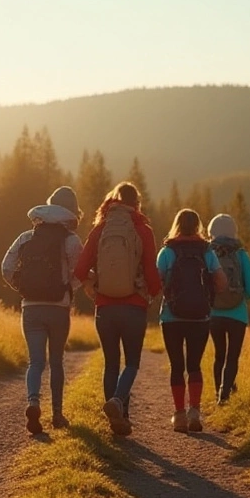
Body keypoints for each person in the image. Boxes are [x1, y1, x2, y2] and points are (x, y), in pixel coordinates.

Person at [73, 182, 162, 437]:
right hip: (134, 307)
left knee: (111, 364)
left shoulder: (100, 228)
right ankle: (118, 404)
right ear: (136, 203)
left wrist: (94, 283)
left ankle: (119, 420)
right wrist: (153, 293)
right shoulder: (142, 230)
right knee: (131, 363)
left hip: (105, 308)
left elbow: (79, 270)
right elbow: (151, 271)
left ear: (113, 201)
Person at [1, 186, 84, 435]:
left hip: (31, 308)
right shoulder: (71, 240)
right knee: (57, 361)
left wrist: (23, 287)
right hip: (59, 308)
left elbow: (6, 267)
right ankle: (57, 415)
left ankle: (33, 403)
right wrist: (68, 288)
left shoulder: (26, 237)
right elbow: (78, 274)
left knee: (35, 362)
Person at [156, 208, 227, 433]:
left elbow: (157, 283)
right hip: (200, 316)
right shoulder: (207, 251)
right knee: (194, 365)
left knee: (177, 366)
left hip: (171, 316)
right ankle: (194, 411)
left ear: (177, 224)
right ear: (198, 226)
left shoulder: (167, 251)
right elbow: (222, 283)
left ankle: (179, 416)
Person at [207, 213, 250, 405]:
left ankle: (217, 391)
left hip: (213, 313)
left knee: (219, 354)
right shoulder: (241, 254)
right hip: (238, 314)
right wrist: (240, 294)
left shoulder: (208, 254)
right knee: (232, 355)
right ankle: (225, 394)